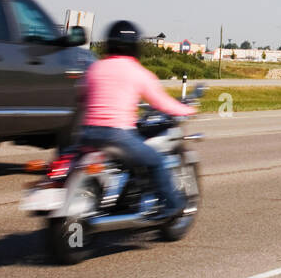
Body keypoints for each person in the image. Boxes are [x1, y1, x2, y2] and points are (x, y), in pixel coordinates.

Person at [77, 20, 197, 219]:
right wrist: (186, 110)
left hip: (88, 133)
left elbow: (80, 96)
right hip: (117, 134)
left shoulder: (95, 68)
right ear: (135, 46)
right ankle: (172, 206)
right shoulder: (137, 71)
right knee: (156, 161)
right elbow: (162, 103)